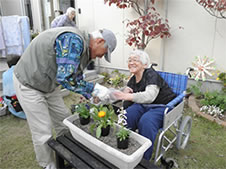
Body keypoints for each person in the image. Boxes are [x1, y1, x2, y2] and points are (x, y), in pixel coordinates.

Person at [13, 27, 117, 169]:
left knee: (64, 121)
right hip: (30, 83)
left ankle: (68, 156)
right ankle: (49, 165)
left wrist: (91, 95)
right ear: (99, 41)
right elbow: (66, 78)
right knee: (43, 131)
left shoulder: (85, 49)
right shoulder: (72, 40)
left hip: (49, 84)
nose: (100, 57)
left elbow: (76, 75)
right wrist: (96, 88)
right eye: (104, 53)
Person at [112, 50, 176, 160]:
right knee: (127, 116)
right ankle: (123, 148)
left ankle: (143, 160)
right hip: (143, 105)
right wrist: (125, 96)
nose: (131, 62)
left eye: (135, 60)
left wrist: (127, 96)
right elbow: (127, 101)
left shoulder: (151, 74)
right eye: (130, 60)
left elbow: (149, 96)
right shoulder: (132, 79)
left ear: (145, 64)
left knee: (146, 121)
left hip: (162, 106)